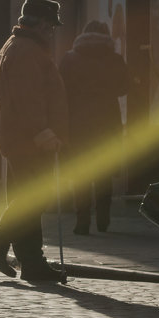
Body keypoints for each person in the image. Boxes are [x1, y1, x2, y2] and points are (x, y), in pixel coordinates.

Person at [0, 0, 69, 283]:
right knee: (31, 199)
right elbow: (29, 99)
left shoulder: (16, 46)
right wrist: (44, 133)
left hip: (18, 138)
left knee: (24, 200)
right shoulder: (27, 51)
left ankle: (32, 262)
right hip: (30, 140)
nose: (52, 32)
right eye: (50, 26)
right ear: (38, 24)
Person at [58, 20, 128, 234]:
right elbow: (123, 88)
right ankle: (103, 217)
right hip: (106, 123)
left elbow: (60, 91)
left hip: (77, 123)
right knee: (103, 172)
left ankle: (82, 220)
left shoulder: (69, 59)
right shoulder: (114, 59)